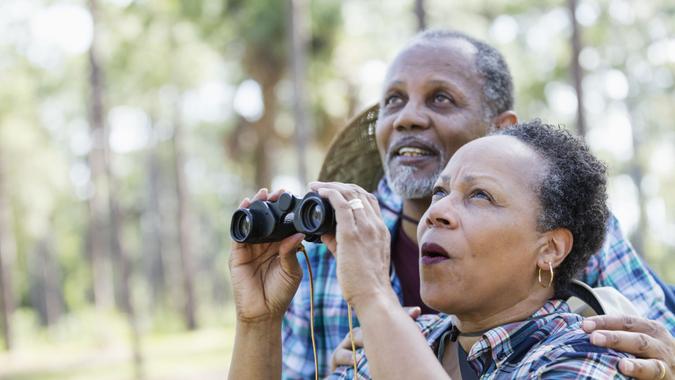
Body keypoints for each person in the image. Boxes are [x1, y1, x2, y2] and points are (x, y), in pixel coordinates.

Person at [282, 29, 675, 379]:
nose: (408, 118)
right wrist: (258, 322)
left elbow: (650, 344)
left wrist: (372, 300)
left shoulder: (573, 237)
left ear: (504, 130)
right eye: (393, 101)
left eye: (441, 98)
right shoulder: (324, 250)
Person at [229, 121, 637, 379]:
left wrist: (373, 296)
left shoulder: (590, 355)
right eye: (439, 192)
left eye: (479, 195)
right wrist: (258, 322)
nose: (436, 212)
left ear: (549, 248)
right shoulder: (396, 342)